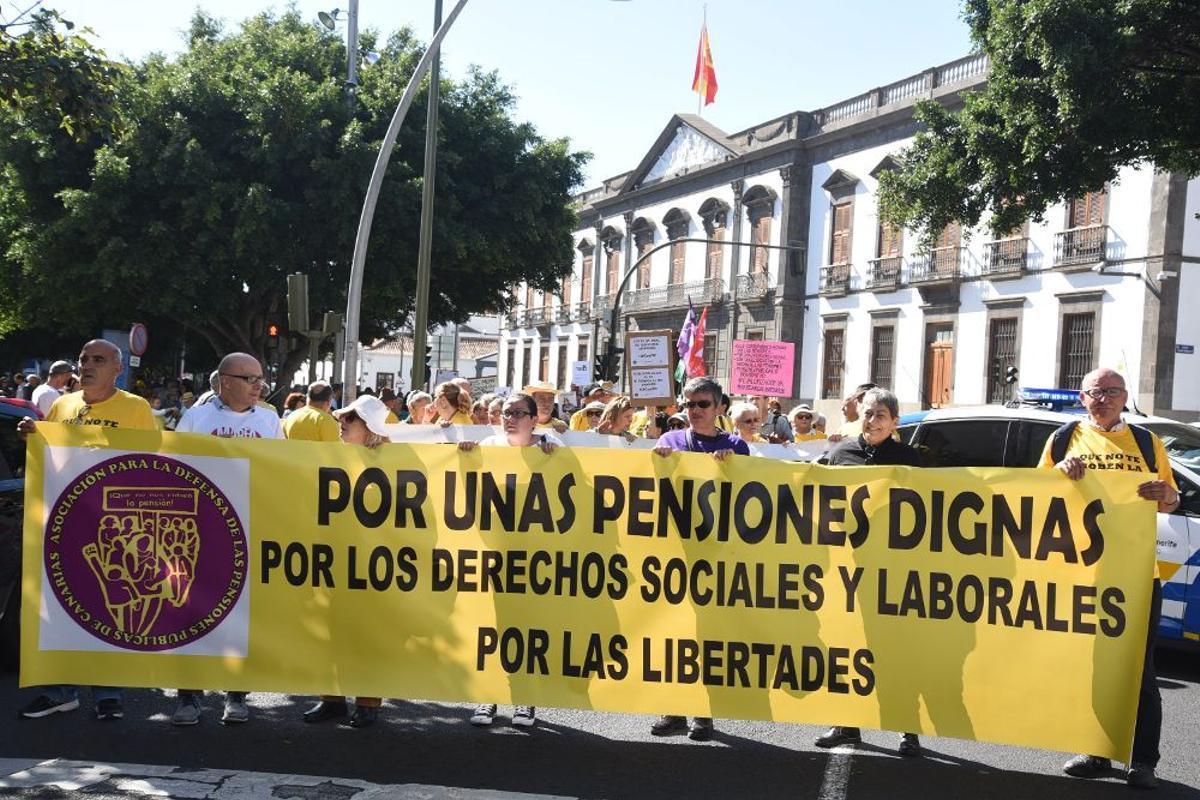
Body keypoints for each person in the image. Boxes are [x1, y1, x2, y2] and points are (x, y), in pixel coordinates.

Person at [1042, 367, 1178, 790]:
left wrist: (1166, 496)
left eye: (1112, 392)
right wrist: (1058, 473)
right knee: (1092, 667)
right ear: (1083, 398)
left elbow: (1171, 500)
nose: (1103, 398)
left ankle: (1144, 761)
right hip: (1082, 574)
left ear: (1125, 397)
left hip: (1137, 575)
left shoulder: (1145, 441)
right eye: (1095, 392)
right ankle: (1096, 751)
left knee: (1139, 670)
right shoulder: (1064, 439)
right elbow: (1035, 494)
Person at [17, 340, 155, 722]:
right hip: (65, 522)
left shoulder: (136, 408)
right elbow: (52, 454)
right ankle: (60, 692)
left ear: (117, 369)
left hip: (113, 529)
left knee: (111, 607)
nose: (87, 365)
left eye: (98, 360)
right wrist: (33, 435)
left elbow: (149, 462)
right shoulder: (62, 405)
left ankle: (108, 693)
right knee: (61, 607)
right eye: (83, 359)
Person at [173, 352, 282, 726]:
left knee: (240, 614)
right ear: (225, 381)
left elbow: (284, 470)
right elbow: (176, 469)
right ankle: (188, 697)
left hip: (249, 530)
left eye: (260, 378)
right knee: (193, 611)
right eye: (249, 378)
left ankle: (236, 694)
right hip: (199, 532)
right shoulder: (197, 418)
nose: (259, 385)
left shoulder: (270, 419)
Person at [813, 387, 921, 756]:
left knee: (898, 648)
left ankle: (909, 727)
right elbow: (806, 489)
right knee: (849, 647)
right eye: (867, 413)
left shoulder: (911, 460)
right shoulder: (840, 453)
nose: (871, 421)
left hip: (895, 571)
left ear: (894, 422)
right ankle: (846, 724)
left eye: (880, 415)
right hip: (848, 571)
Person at [650, 377, 749, 742]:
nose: (694, 410)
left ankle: (703, 713)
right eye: (689, 403)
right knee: (673, 633)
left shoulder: (735, 445)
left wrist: (729, 467)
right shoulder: (669, 442)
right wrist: (657, 464)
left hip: (714, 556)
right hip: (674, 555)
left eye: (702, 404)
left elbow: (744, 499)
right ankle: (673, 708)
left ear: (720, 407)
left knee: (706, 637)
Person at [458, 393, 560, 728]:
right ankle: (488, 698)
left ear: (535, 419)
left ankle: (525, 700)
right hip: (494, 556)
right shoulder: (488, 444)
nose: (510, 418)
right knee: (492, 628)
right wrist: (465, 458)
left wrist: (557, 457)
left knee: (528, 631)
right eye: (505, 413)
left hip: (535, 559)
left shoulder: (551, 445)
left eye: (518, 413)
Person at [302, 394, 395, 728]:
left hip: (375, 563)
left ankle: (368, 701)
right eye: (341, 419)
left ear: (368, 426)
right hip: (336, 558)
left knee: (368, 633)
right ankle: (332, 699)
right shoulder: (332, 456)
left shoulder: (396, 460)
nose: (341, 424)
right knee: (332, 630)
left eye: (350, 420)